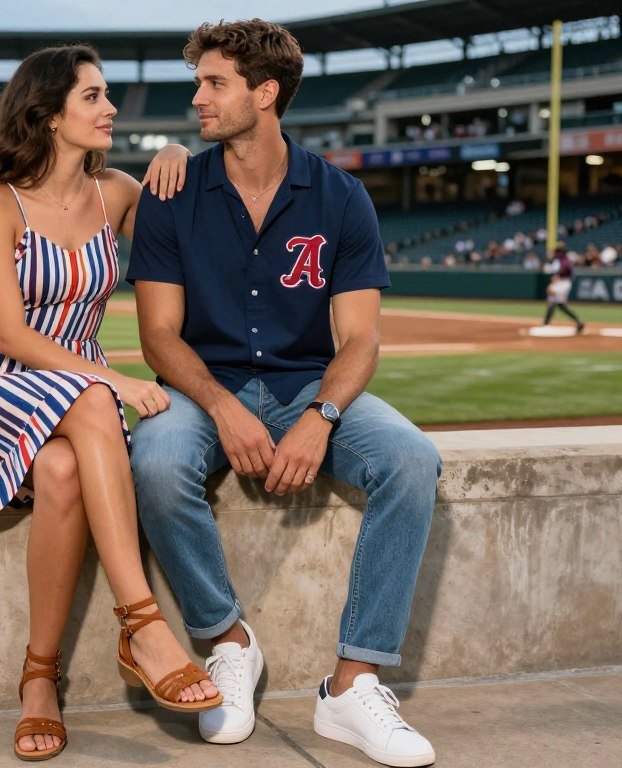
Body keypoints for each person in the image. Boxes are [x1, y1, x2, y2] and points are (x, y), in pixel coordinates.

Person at [127, 20, 442, 767]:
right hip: (206, 388)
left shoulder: (341, 196)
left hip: (309, 381)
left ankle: (352, 685)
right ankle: (228, 644)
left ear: (265, 94)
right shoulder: (173, 189)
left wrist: (321, 416)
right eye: (199, 81)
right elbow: (159, 337)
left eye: (215, 83)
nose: (197, 97)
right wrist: (225, 407)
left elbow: (360, 339)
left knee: (410, 459)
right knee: (156, 463)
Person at [0, 44, 220, 762]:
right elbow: (11, 333)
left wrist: (183, 153)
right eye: (92, 96)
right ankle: (145, 625)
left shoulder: (115, 190)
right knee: (93, 398)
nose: (109, 108)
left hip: (75, 399)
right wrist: (114, 380)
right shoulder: (0, 203)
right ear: (49, 113)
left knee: (62, 474)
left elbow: (192, 239)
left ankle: (38, 680)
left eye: (106, 94)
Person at [542, 243, 584, 333]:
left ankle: (546, 322)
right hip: (565, 282)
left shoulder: (560, 259)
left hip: (561, 282)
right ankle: (578, 322)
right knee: (557, 304)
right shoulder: (566, 258)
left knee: (551, 296)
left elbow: (559, 272)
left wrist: (553, 283)